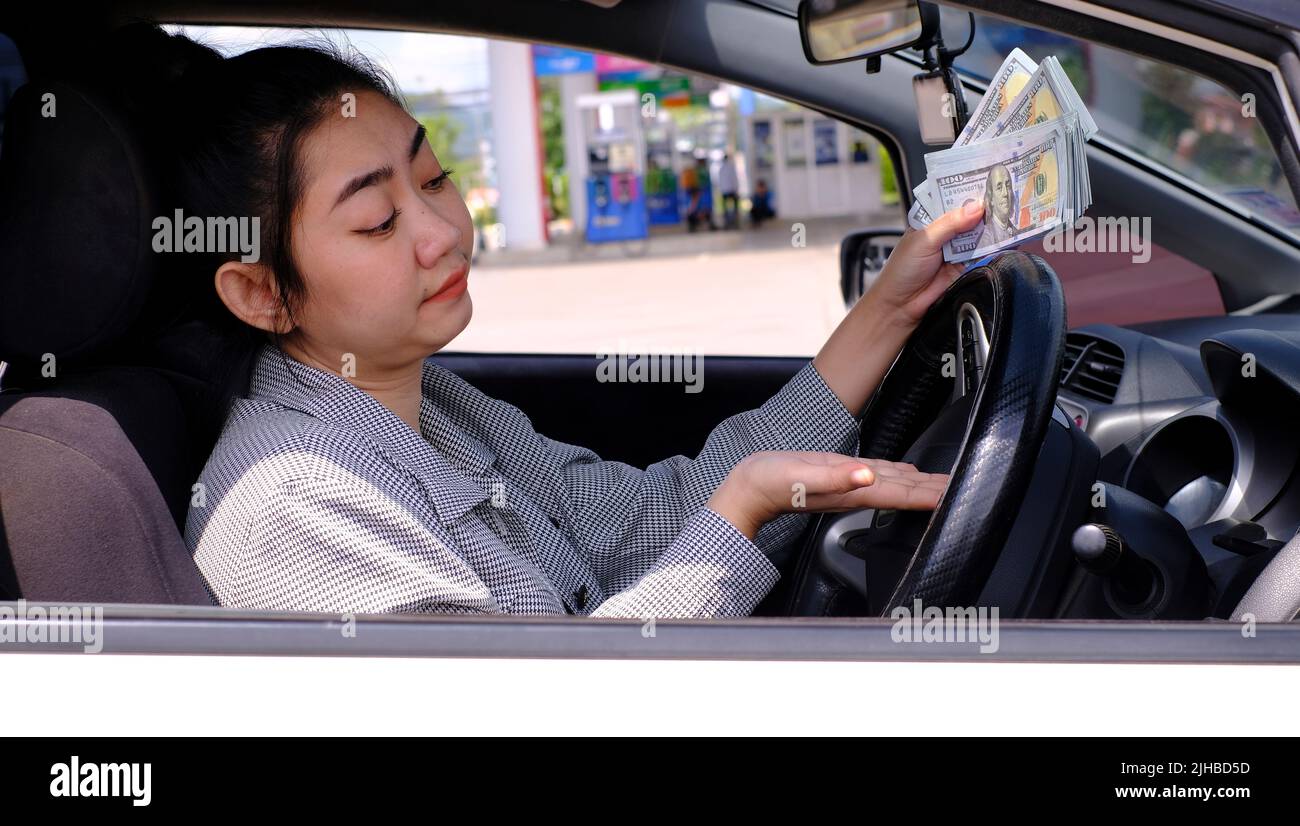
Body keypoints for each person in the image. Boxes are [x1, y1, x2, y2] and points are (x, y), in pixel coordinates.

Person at [128, 25, 985, 618]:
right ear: (261, 294)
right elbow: (542, 717)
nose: (443, 232)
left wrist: (895, 303)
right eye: (377, 223)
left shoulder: (439, 408)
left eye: (431, 179)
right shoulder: (298, 507)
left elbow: (649, 520)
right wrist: (743, 508)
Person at [975, 163, 1019, 249]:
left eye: (1008, 186)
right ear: (991, 199)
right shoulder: (985, 239)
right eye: (999, 188)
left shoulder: (1016, 232)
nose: (1005, 193)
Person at [683, 156, 716, 232]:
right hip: (696, 194)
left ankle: (696, 226)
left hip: (697, 195)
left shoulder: (696, 172)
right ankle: (693, 227)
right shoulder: (697, 173)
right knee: (697, 211)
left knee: (703, 211)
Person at [718, 152, 740, 229]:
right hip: (731, 190)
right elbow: (735, 179)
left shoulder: (721, 169)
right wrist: (736, 189)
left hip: (725, 191)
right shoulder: (731, 167)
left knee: (726, 209)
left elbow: (720, 181)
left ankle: (728, 223)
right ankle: (735, 222)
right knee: (734, 208)